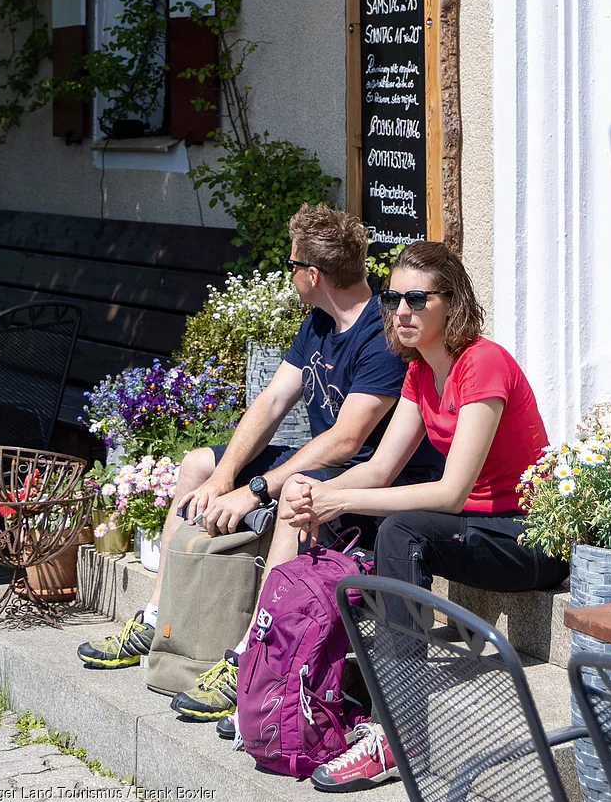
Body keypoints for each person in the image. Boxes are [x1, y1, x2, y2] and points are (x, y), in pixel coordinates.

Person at [77, 202, 439, 727]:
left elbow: (345, 440)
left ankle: (248, 655)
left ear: (313, 275)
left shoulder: (382, 338)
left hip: (361, 479)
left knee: (293, 500)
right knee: (197, 464)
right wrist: (224, 477)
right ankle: (156, 621)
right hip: (321, 462)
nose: (288, 273)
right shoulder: (317, 322)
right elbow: (271, 403)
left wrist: (254, 490)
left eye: (292, 265)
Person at [281, 239, 566, 792]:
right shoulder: (418, 371)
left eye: (418, 298)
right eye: (393, 297)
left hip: (529, 538)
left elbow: (451, 494)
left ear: (452, 303)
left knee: (401, 528)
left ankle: (401, 737)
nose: (401, 311)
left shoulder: (482, 363)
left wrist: (341, 499)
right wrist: (318, 492)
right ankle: (328, 687)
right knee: (351, 517)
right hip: (479, 533)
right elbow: (381, 469)